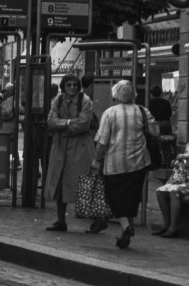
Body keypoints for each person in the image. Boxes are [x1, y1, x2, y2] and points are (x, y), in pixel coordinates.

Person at [88, 80, 156, 250]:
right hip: (139, 162)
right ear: (134, 95)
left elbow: (102, 141)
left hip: (115, 164)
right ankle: (127, 230)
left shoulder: (110, 113)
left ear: (116, 95)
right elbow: (155, 131)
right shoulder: (143, 111)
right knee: (131, 198)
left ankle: (126, 227)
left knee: (115, 197)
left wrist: (97, 160)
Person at [43, 74, 96, 232]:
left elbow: (84, 124)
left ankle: (98, 219)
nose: (72, 87)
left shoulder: (85, 101)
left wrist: (62, 125)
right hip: (61, 148)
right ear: (63, 86)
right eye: (68, 84)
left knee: (84, 183)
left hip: (80, 148)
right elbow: (50, 121)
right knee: (59, 183)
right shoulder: (58, 100)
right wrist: (69, 123)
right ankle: (61, 221)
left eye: (74, 84)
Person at [147, 84, 174, 168]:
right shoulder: (166, 102)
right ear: (160, 93)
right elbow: (170, 114)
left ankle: (158, 160)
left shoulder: (149, 102)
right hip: (166, 123)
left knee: (154, 142)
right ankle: (168, 155)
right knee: (167, 140)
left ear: (151, 93)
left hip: (156, 124)